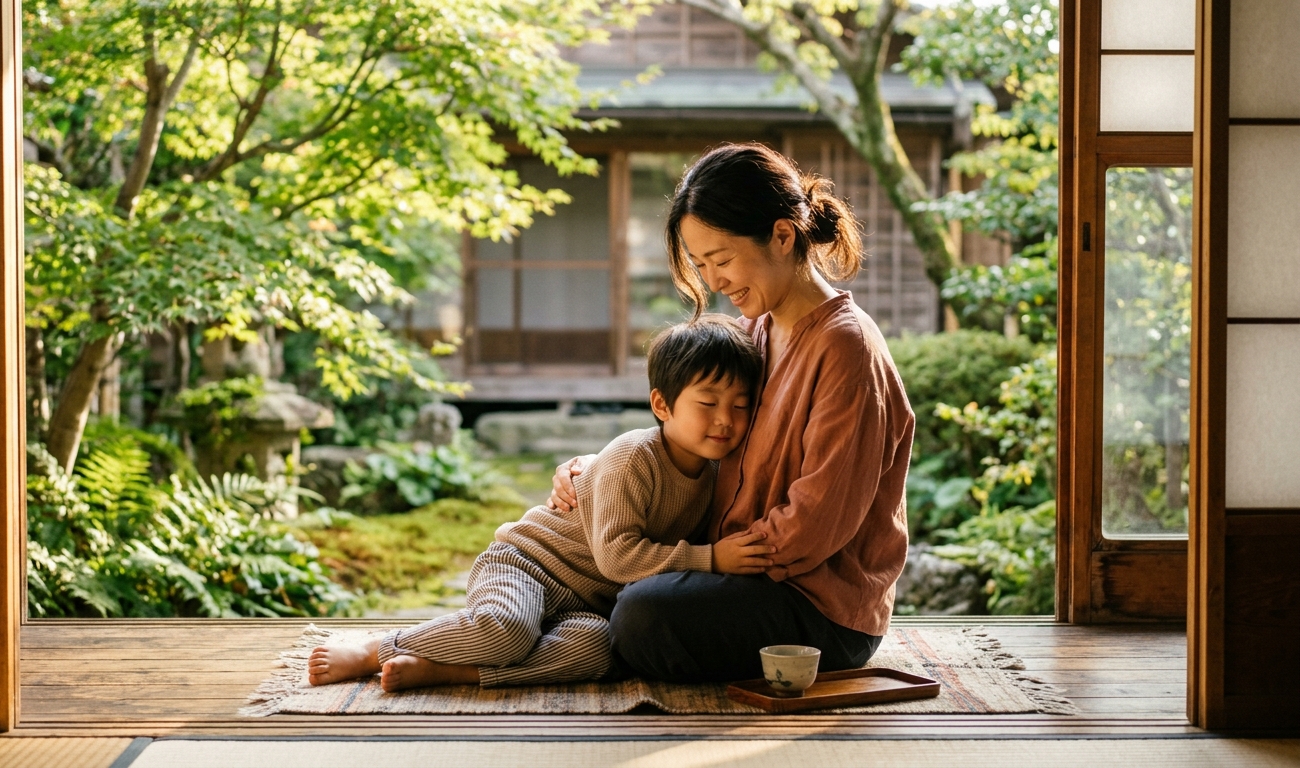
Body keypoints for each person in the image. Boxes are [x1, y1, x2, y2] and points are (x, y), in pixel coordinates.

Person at [548, 143, 916, 683]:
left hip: (814, 606)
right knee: (603, 575)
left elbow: (816, 523)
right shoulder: (754, 332)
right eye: (700, 265)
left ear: (782, 235)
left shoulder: (846, 348)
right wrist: (596, 470)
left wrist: (716, 559)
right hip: (735, 573)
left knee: (642, 613)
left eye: (721, 259)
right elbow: (688, 436)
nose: (714, 281)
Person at [306, 315, 770, 691]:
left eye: (741, 404)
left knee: (600, 650)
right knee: (507, 629)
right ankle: (376, 648)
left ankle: (459, 671)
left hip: (584, 604)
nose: (725, 420)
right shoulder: (633, 457)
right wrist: (711, 559)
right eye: (708, 403)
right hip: (526, 565)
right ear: (662, 404)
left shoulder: (721, 471)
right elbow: (618, 556)